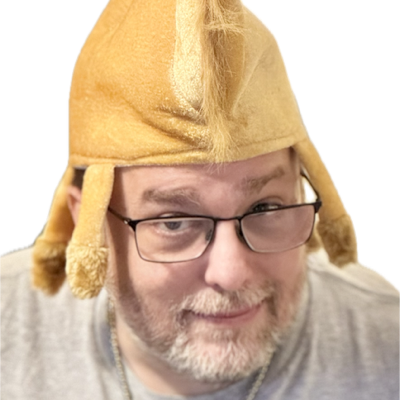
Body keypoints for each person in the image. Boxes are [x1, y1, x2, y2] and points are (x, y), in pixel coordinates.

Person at [1, 0, 399, 399]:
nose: (231, 273)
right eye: (173, 221)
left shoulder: (388, 340)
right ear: (90, 227)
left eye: (266, 208)